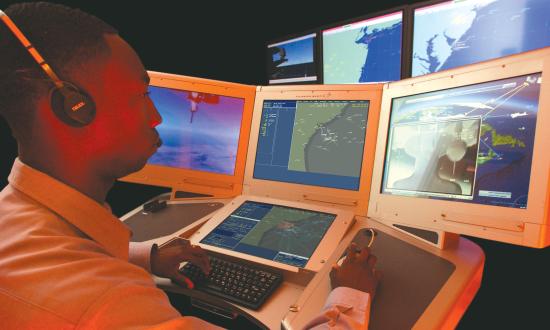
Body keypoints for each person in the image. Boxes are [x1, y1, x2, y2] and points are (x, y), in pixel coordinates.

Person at [0, 3, 380, 329]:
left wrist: (146, 256)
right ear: (73, 108)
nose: (156, 117)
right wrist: (349, 296)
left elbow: (71, 249)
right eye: (140, 95)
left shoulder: (12, 219)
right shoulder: (107, 306)